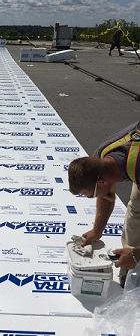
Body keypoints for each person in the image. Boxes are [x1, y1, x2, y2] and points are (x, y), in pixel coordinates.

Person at [68, 121, 140, 286]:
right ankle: (130, 266)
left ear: (100, 182)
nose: (91, 198)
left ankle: (133, 258)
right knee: (136, 208)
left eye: (89, 195)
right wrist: (97, 230)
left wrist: (137, 255)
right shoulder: (101, 156)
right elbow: (106, 194)